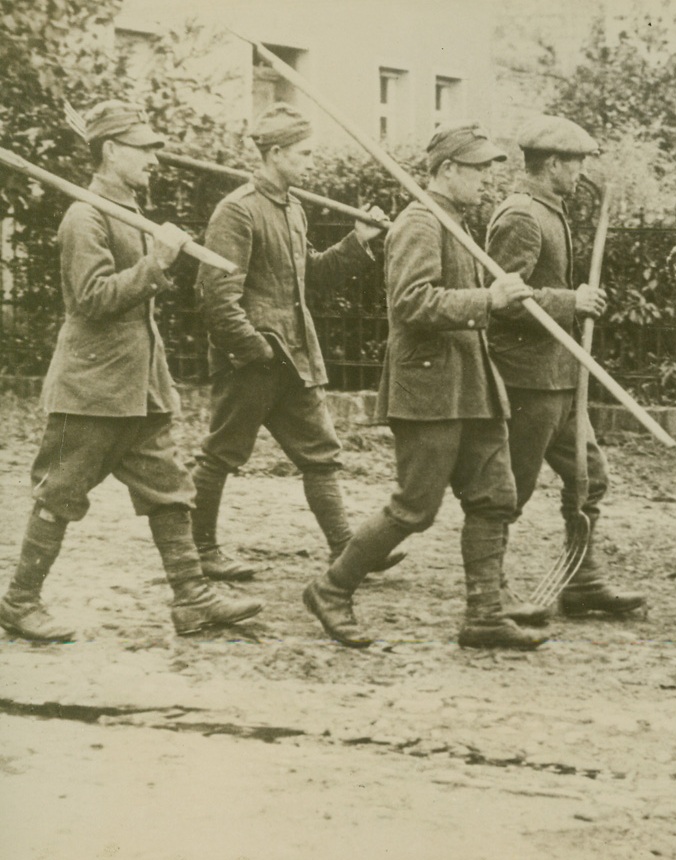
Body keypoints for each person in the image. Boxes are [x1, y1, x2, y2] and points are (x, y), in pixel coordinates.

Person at [0, 100, 262, 641]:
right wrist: (158, 262)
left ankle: (192, 598)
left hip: (139, 384)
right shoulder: (85, 215)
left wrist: (155, 255)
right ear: (111, 150)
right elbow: (93, 300)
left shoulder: (133, 212)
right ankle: (20, 602)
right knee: (60, 494)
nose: (154, 159)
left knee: (168, 488)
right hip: (91, 388)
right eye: (143, 149)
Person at [302, 121, 546, 651]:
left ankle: (484, 615)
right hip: (430, 385)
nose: (488, 179)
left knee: (494, 496)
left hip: (471, 384)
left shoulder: (454, 220)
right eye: (478, 169)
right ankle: (332, 589)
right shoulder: (419, 222)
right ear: (447, 170)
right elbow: (412, 303)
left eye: (490, 168)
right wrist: (490, 301)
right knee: (415, 507)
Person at [192, 103, 388, 581]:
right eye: (303, 153)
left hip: (295, 361)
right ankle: (201, 551)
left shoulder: (293, 209)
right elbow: (215, 295)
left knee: (320, 453)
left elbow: (311, 277)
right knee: (222, 453)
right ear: (275, 153)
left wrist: (358, 240)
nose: (310, 162)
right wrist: (254, 349)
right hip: (254, 361)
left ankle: (345, 551)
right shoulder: (236, 212)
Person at [485, 114, 645, 621]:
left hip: (561, 376)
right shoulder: (521, 217)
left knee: (589, 477)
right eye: (574, 163)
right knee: (513, 487)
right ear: (551, 163)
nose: (580, 173)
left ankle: (584, 581)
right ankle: (491, 593)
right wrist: (570, 301)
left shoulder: (551, 209)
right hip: (529, 378)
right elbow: (505, 300)